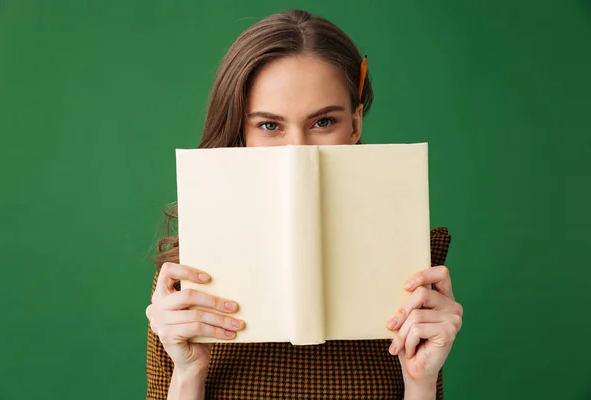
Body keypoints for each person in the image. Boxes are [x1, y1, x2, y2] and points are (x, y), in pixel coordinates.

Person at [145, 8, 463, 400]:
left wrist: (422, 381)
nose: (296, 149)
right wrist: (187, 373)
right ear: (240, 133)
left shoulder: (411, 273)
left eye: (323, 122)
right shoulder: (187, 280)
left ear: (356, 124)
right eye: (269, 125)